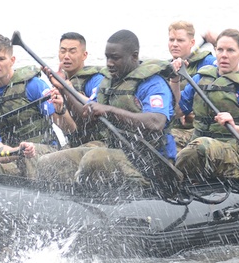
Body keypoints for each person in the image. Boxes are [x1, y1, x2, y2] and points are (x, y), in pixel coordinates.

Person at [35, 29, 176, 188]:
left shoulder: (153, 83)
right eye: (107, 57)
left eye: (115, 58)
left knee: (94, 158)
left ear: (134, 56)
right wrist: (64, 89)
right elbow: (85, 118)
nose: (109, 63)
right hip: (118, 152)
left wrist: (109, 110)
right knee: (48, 162)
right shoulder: (108, 83)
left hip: (150, 162)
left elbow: (156, 122)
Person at [173, 28, 239, 180]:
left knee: (201, 146)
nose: (224, 55)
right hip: (197, 142)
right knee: (167, 139)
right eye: (220, 50)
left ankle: (170, 180)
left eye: (231, 50)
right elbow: (178, 111)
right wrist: (174, 80)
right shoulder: (199, 80)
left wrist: (234, 127)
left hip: (234, 153)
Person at [0, 34, 65, 155]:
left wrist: (60, 111)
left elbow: (65, 126)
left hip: (45, 152)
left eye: (1, 59)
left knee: (26, 152)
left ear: (12, 60)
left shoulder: (34, 86)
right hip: (9, 155)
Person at [46, 32, 106, 148]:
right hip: (76, 143)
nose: (66, 56)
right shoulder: (58, 81)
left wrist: (67, 89)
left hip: (99, 143)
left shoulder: (95, 79)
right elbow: (69, 129)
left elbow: (97, 110)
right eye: (63, 51)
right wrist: (60, 110)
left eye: (72, 51)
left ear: (84, 55)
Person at [166, 21, 217, 149]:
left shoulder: (207, 62)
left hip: (194, 129)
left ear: (192, 43)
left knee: (166, 140)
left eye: (180, 40)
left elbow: (226, 66)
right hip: (171, 124)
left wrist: (216, 43)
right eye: (171, 40)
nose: (175, 44)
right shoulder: (165, 68)